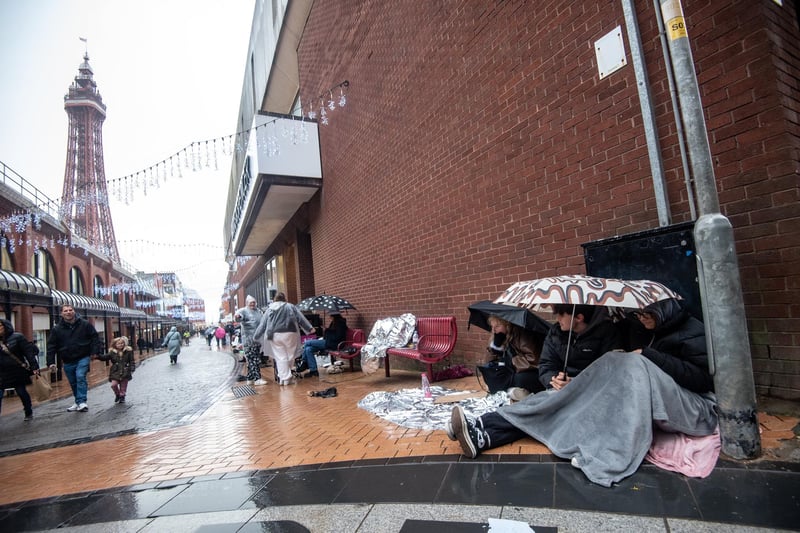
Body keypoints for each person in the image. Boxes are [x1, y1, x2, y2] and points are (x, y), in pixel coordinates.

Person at [447, 298, 717, 487]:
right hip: (595, 389)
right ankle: (482, 431)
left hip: (677, 401)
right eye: (638, 315)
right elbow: (546, 364)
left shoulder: (688, 333)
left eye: (647, 315)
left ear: (578, 317)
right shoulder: (560, 333)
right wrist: (554, 378)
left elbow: (702, 379)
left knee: (558, 406)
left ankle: (484, 430)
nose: (641, 320)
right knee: (548, 401)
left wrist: (649, 355)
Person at [537, 303, 622, 391]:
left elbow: (610, 370)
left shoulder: (607, 332)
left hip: (592, 390)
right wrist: (554, 380)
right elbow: (546, 364)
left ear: (579, 318)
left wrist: (576, 384)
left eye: (561, 315)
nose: (557, 319)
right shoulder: (555, 333)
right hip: (559, 390)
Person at [46, 304, 102, 412]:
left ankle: (82, 402)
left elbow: (94, 337)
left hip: (83, 356)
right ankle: (77, 401)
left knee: (80, 376)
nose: (68, 312)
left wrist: (94, 352)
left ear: (74, 311)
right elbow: (51, 346)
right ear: (62, 314)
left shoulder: (85, 324)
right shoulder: (57, 329)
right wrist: (51, 362)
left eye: (70, 310)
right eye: (65, 311)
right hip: (67, 360)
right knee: (73, 382)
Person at [254, 292, 314, 386]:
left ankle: (284, 377)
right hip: (290, 333)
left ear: (275, 299)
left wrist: (256, 336)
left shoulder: (270, 309)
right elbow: (300, 318)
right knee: (290, 355)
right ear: (284, 298)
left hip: (274, 335)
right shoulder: (290, 306)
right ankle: (285, 377)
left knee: (280, 356)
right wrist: (309, 328)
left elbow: (263, 324)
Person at [484, 315, 544, 399]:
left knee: (519, 379)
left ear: (507, 325)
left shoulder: (522, 334)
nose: (494, 330)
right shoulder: (499, 336)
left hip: (532, 372)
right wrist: (494, 348)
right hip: (513, 370)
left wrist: (511, 362)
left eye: (497, 326)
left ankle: (514, 392)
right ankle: (513, 391)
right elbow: (489, 362)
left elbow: (533, 359)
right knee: (490, 371)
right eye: (492, 327)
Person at [0, 319, 40, 421]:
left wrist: (34, 367)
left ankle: (28, 411)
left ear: (6, 326)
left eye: (1, 326)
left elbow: (28, 353)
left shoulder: (17, 337)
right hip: (2, 372)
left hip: (16, 370)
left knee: (21, 391)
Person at [299, 311, 348, 377]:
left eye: (330, 315)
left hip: (334, 344)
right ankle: (314, 371)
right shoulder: (334, 323)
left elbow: (337, 336)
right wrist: (326, 330)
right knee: (308, 349)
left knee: (307, 343)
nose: (329, 316)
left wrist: (327, 331)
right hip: (329, 342)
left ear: (333, 315)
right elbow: (331, 334)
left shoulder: (340, 323)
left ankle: (304, 362)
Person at [234, 295, 265, 385]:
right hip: (248, 340)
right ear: (247, 303)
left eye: (254, 303)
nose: (252, 304)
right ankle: (257, 378)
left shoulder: (258, 311)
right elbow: (238, 317)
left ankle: (250, 378)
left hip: (258, 340)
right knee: (253, 359)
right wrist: (238, 317)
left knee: (253, 359)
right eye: (251, 303)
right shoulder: (243, 311)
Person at [97, 336, 136, 404]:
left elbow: (131, 361)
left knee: (123, 385)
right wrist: (98, 356)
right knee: (114, 385)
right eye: (118, 344)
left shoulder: (128, 351)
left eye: (122, 343)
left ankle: (122, 396)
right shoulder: (112, 352)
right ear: (115, 345)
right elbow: (105, 357)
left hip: (125, 370)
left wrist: (132, 367)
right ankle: (117, 394)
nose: (120, 345)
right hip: (115, 371)